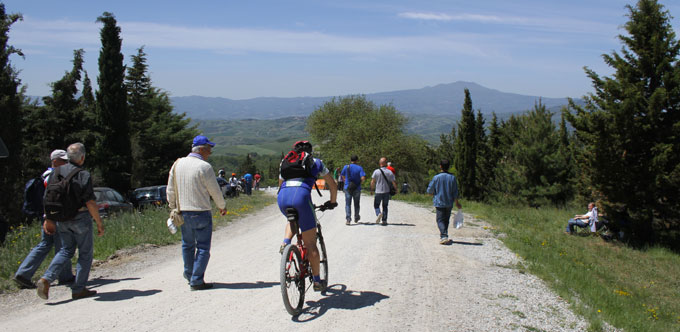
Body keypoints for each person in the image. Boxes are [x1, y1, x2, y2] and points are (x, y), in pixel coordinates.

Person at [36, 143, 105, 300]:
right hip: (81, 218)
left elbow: (49, 197)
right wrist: (99, 222)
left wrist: (49, 219)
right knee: (85, 253)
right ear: (82, 158)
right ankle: (79, 289)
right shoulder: (83, 174)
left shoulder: (56, 172)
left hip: (62, 219)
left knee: (66, 250)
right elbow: (90, 202)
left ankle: (46, 278)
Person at [167, 135, 227, 291]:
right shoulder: (204, 167)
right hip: (201, 211)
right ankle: (197, 280)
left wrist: (172, 206)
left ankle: (189, 274)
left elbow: (170, 189)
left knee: (187, 245)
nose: (210, 153)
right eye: (208, 150)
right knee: (202, 247)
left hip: (183, 212)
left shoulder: (177, 164)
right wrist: (222, 206)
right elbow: (214, 189)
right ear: (201, 149)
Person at [277, 141, 337, 291]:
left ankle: (285, 242)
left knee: (291, 218)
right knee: (311, 245)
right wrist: (332, 201)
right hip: (302, 196)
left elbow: (280, 184)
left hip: (283, 197)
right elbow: (333, 184)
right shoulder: (316, 162)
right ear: (310, 151)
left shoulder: (285, 162)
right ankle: (317, 281)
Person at [13, 150, 75, 289]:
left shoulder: (46, 175)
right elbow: (51, 198)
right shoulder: (54, 175)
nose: (66, 163)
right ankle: (64, 276)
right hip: (54, 216)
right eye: (63, 160)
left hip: (48, 216)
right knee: (63, 245)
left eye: (67, 160)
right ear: (54, 161)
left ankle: (23, 273)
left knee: (45, 244)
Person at [426, 159, 462, 244]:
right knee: (446, 220)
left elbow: (430, 190)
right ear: (448, 167)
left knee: (440, 220)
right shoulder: (452, 178)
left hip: (439, 202)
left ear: (440, 166)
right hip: (449, 202)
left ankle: (444, 235)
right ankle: (444, 235)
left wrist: (432, 194)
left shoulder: (436, 177)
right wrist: (457, 202)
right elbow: (455, 192)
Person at [370, 157, 397, 225]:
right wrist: (396, 189)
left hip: (378, 191)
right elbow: (394, 182)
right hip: (386, 191)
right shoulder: (389, 172)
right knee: (385, 206)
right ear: (386, 163)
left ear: (380, 163)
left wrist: (371, 189)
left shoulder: (376, 171)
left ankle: (378, 213)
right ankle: (384, 220)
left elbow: (372, 181)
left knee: (376, 205)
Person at [340, 155, 366, 225]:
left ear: (350, 160)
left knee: (348, 204)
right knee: (356, 204)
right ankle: (356, 217)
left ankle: (348, 219)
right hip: (357, 188)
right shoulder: (359, 168)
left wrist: (345, 181)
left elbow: (342, 175)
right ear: (357, 160)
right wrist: (359, 182)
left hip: (347, 187)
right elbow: (363, 178)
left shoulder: (346, 167)